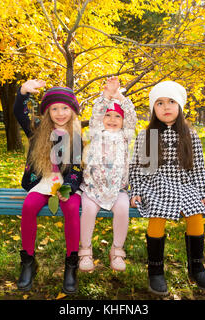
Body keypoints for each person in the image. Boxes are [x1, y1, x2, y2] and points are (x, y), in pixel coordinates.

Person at [129, 81, 205, 295]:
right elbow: (139, 168)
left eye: (171, 102)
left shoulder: (190, 135)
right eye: (159, 103)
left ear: (180, 106)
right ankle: (156, 271)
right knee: (157, 215)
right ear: (153, 109)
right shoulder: (148, 135)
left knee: (196, 214)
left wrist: (204, 194)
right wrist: (137, 191)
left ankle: (197, 268)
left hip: (184, 185)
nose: (166, 107)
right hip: (156, 185)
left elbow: (197, 169)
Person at [13, 79, 83, 294]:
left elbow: (77, 168)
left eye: (65, 108)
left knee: (71, 208)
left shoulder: (76, 136)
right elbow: (19, 113)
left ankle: (71, 265)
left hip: (67, 184)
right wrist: (23, 92)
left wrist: (68, 188)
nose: (60, 113)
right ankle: (28, 262)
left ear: (72, 111)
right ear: (47, 112)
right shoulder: (37, 129)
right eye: (54, 108)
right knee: (29, 207)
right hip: (42, 182)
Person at [79, 77, 137, 272]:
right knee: (88, 211)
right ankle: (86, 250)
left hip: (117, 190)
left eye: (117, 117)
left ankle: (117, 250)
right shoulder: (96, 131)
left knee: (122, 210)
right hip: (92, 189)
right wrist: (106, 96)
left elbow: (131, 115)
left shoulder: (125, 135)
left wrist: (119, 96)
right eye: (108, 116)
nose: (112, 120)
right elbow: (96, 112)